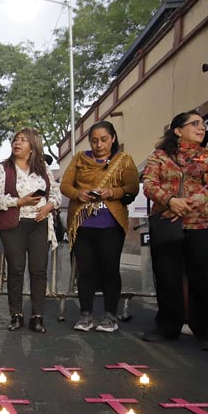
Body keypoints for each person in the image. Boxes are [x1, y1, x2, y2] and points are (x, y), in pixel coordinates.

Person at [141, 110, 208, 349]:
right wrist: (170, 201)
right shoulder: (159, 156)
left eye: (203, 125)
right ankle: (168, 325)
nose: (201, 128)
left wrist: (186, 204)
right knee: (168, 276)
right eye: (194, 124)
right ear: (178, 130)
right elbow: (149, 184)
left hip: (200, 224)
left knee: (204, 277)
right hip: (167, 224)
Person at [60, 121, 140, 332]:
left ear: (113, 138)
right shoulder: (79, 159)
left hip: (111, 224)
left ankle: (109, 316)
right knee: (85, 270)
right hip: (82, 223)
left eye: (104, 139)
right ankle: (85, 315)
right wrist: (78, 194)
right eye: (94, 140)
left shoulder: (123, 160)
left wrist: (112, 193)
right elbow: (65, 185)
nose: (99, 144)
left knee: (109, 269)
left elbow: (132, 187)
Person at [0, 128, 60, 333]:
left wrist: (49, 206)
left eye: (23, 140)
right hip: (14, 224)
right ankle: (16, 314)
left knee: (38, 270)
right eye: (15, 140)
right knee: (16, 269)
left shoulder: (43, 167)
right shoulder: (2, 168)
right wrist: (20, 201)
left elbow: (56, 193)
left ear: (32, 147)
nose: (17, 143)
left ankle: (37, 316)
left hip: (39, 223)